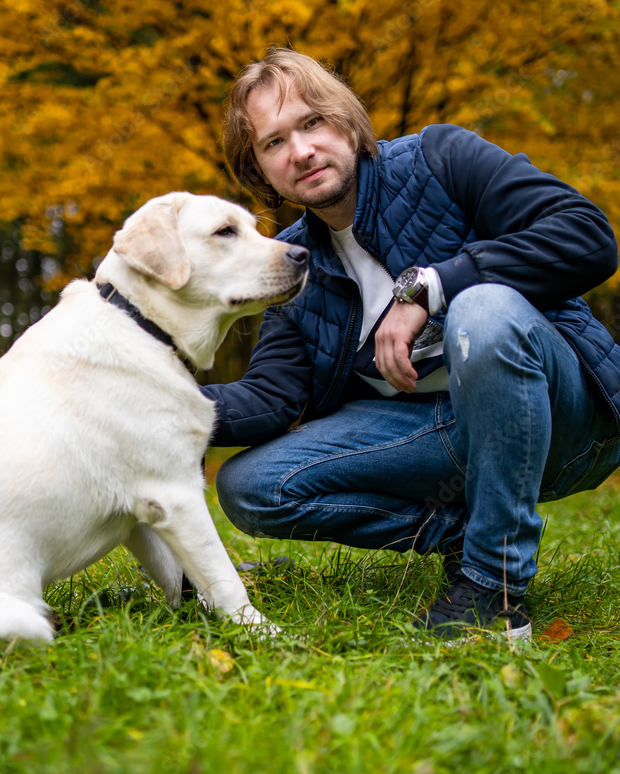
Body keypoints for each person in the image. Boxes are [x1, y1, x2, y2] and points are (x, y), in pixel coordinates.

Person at [201, 47, 620, 641]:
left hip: (562, 419)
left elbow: (586, 236)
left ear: (345, 122)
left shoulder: (441, 158)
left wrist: (432, 286)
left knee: (484, 309)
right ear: (260, 170)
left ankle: (492, 590)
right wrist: (158, 396)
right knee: (250, 487)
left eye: (312, 122)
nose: (300, 151)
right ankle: (470, 534)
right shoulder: (296, 263)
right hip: (441, 441)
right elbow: (272, 397)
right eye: (273, 143)